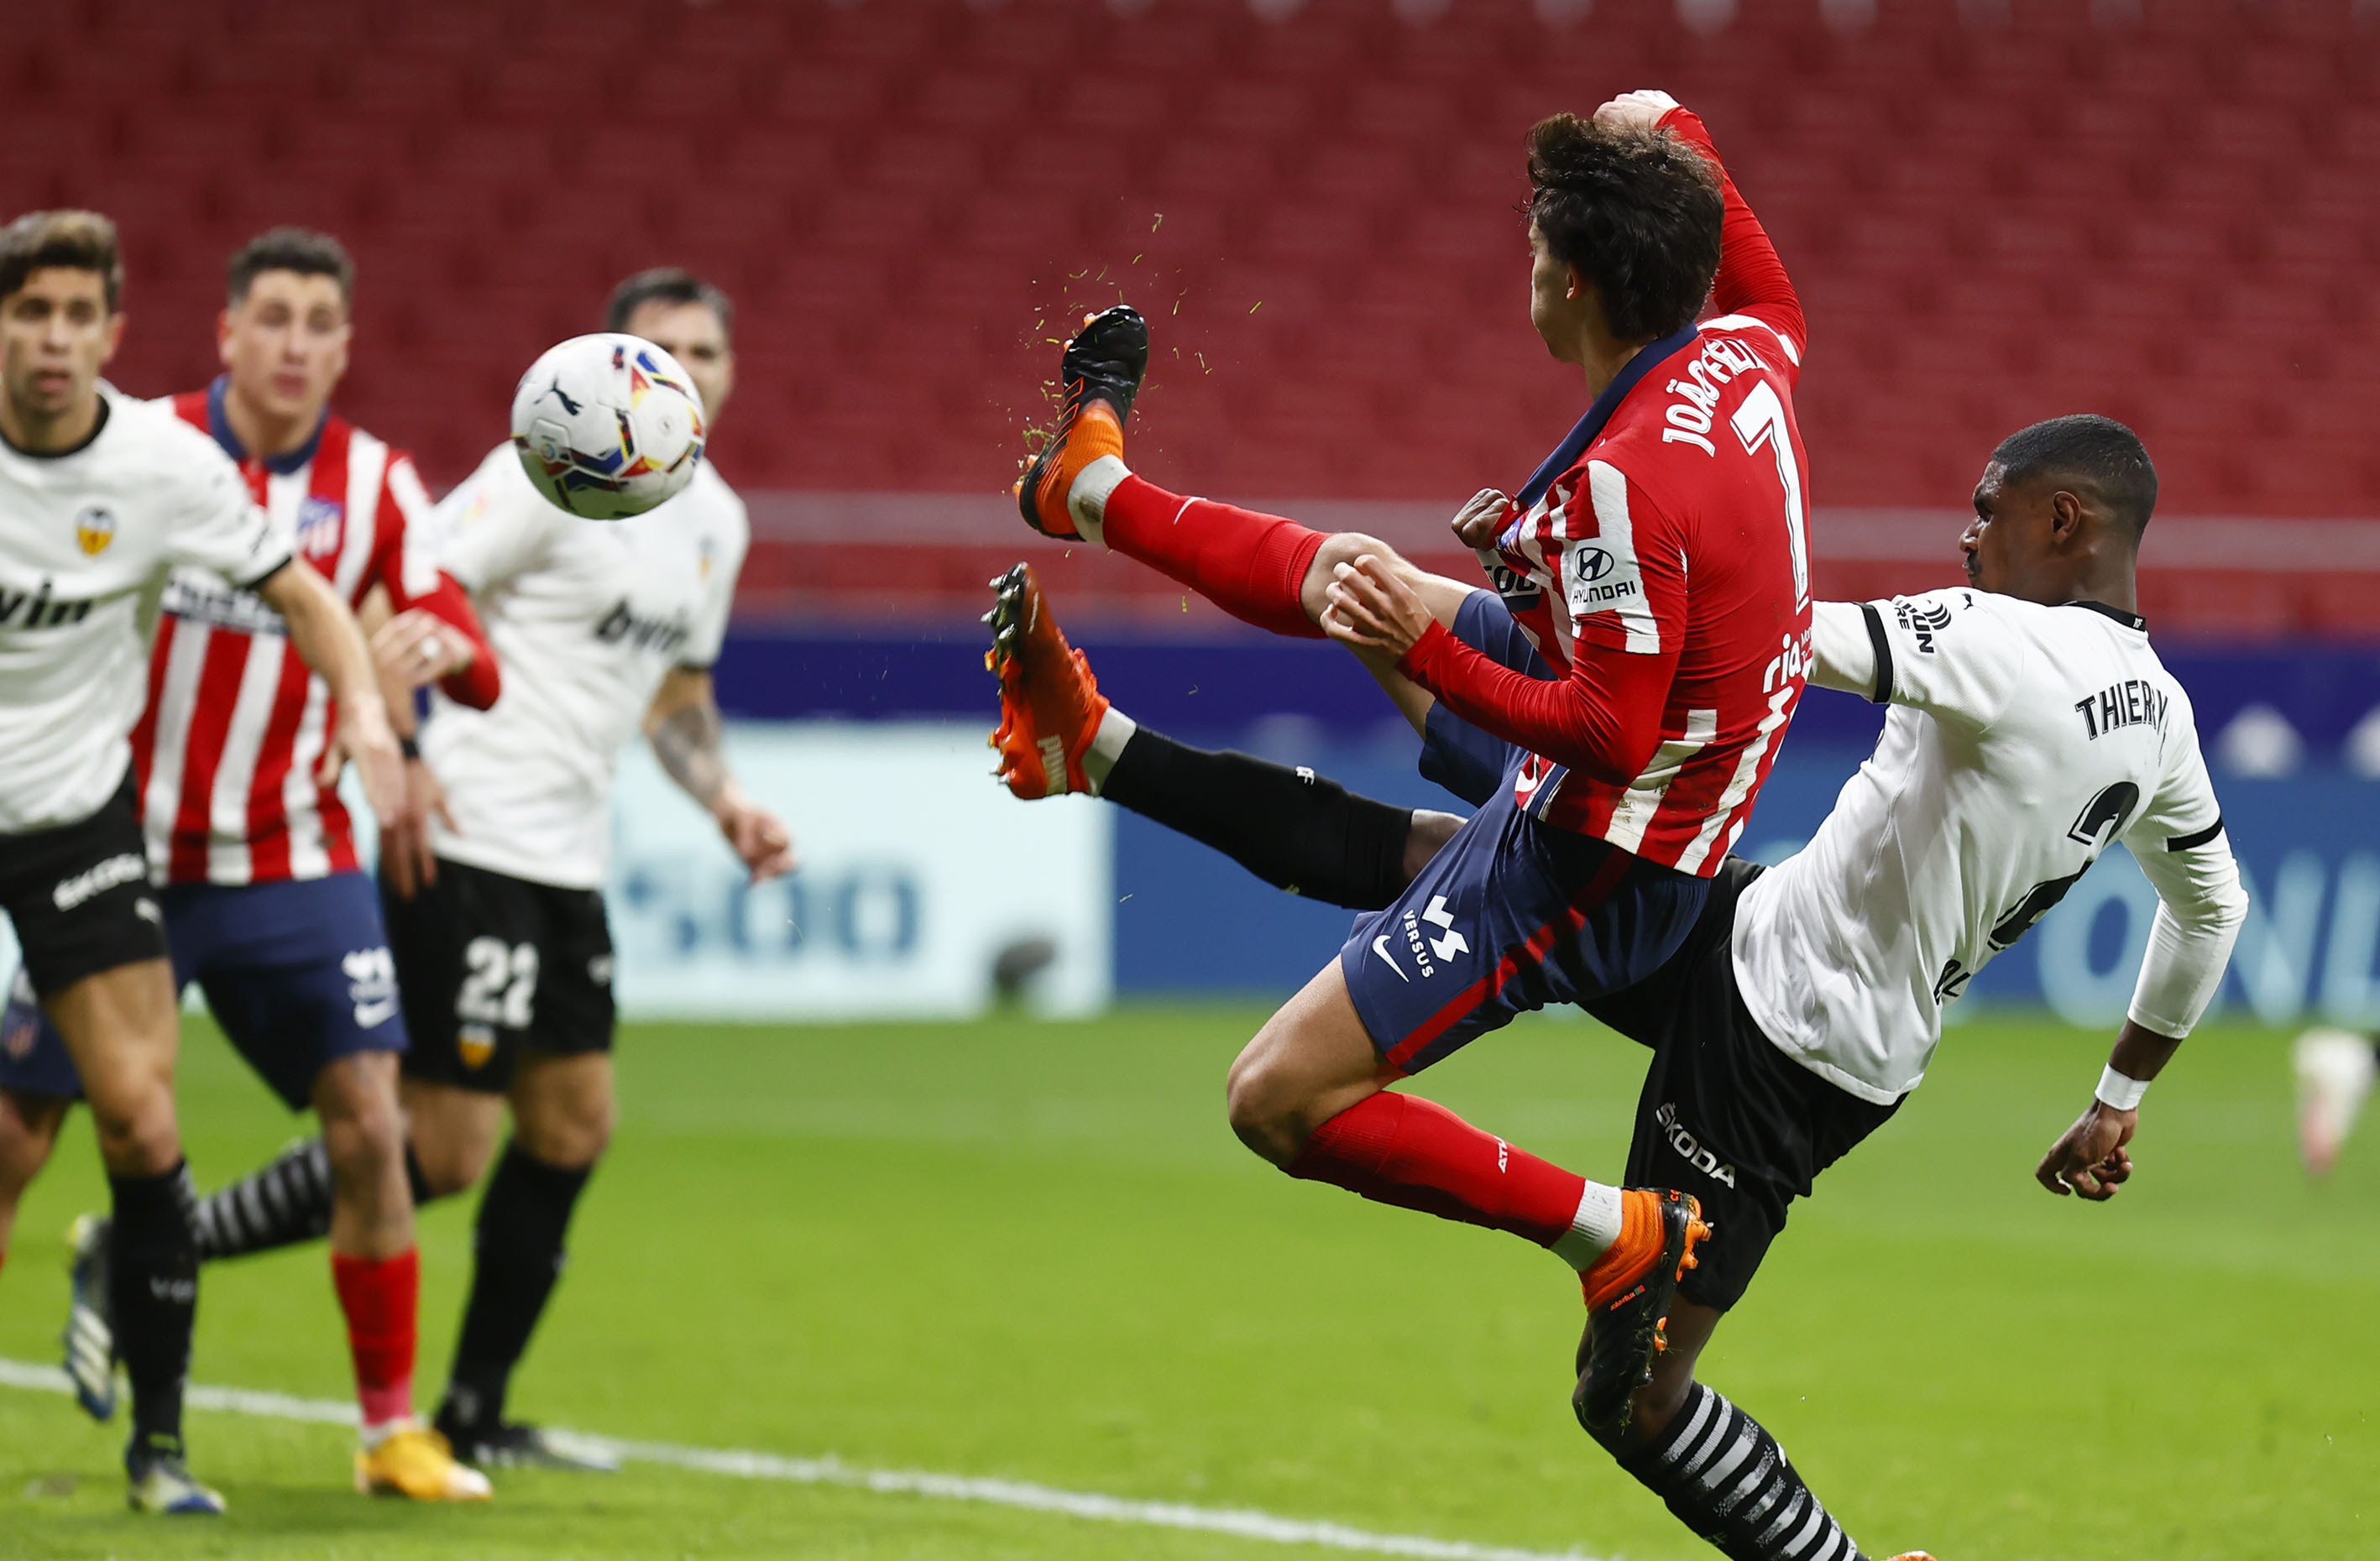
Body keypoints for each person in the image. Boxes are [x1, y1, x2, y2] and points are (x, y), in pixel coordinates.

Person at [990, 411, 2247, 1561]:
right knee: (1473, 856)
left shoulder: (1999, 641)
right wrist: (2117, 1095)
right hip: (1758, 931)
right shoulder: (2164, 722)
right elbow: (2211, 907)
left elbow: (1763, 644)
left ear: (2062, 523)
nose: (1965, 536)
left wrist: (1566, 582)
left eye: (1987, 510)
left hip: (1782, 1055)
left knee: (1631, 1400)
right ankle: (1095, 745)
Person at [1016, 92, 1811, 1438]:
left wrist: (1430, 655)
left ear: (1569, 280)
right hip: (1664, 786)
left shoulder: (1619, 489)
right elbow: (1766, 279)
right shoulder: (1746, 352)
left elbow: (1603, 728)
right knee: (1354, 582)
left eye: (1530, 247)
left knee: (1275, 1097)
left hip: (1600, 849)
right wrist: (1669, 120)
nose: (1523, 266)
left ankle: (1609, 1236)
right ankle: (1086, 495)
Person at [143, 267, 796, 1470]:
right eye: (654, 353)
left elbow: (676, 697)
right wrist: (401, 745)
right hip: (474, 838)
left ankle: (472, 1414)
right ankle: (148, 1244)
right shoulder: (550, 469)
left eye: (702, 356)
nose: (678, 377)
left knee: (573, 1125)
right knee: (438, 1152)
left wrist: (726, 802)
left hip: (568, 857)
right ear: (600, 363)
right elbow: (400, 586)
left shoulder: (718, 522)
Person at [0, 228, 500, 1501]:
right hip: (125, 843)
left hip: (294, 855)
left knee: (375, 1130)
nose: (290, 343)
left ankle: (390, 1430)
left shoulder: (378, 485)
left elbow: (445, 616)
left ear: (342, 344)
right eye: (267, 317)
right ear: (223, 333)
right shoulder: (154, 446)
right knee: (22, 1137)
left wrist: (404, 689)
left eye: (315, 322)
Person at [2294, 1026, 2377, 1174]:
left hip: (2351, 1062)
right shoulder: (2352, 1076)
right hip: (2353, 1064)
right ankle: (2319, 1150)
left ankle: (2318, 1150)